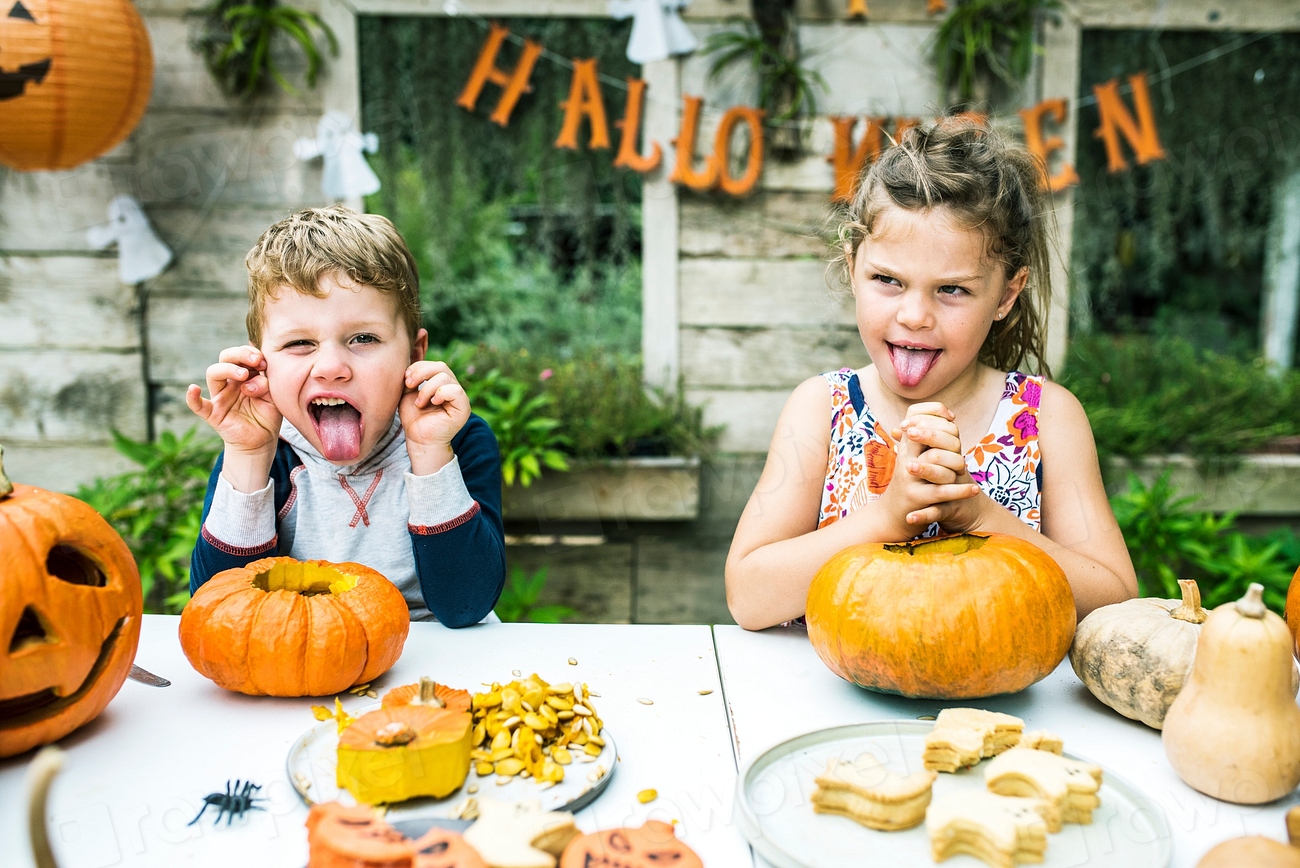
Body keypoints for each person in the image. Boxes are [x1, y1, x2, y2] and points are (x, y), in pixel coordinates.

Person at [724, 120, 1137, 631]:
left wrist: (983, 518)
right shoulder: (823, 409)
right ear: (853, 269)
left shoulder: (1045, 418)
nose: (915, 315)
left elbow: (1116, 599)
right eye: (887, 280)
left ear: (1006, 294)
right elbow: (748, 597)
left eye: (952, 290)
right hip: (830, 700)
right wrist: (886, 516)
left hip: (1005, 706)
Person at [185, 206, 505, 627]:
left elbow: (465, 605)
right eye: (300, 343)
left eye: (363, 338)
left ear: (413, 354)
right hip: (302, 658)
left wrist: (430, 454)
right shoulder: (267, 457)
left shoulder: (458, 442)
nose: (331, 367)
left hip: (435, 662)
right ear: (260, 364)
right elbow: (223, 612)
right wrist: (247, 456)